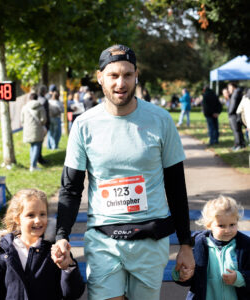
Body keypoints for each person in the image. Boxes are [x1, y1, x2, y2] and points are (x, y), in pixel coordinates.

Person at [52, 44, 195, 300]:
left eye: (128, 75)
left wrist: (185, 244)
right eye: (113, 75)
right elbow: (71, 188)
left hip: (150, 239)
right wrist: (62, 236)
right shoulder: (84, 125)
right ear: (100, 78)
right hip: (104, 240)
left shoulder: (161, 120)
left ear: (136, 75)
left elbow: (176, 187)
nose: (121, 83)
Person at [0, 188, 85, 300]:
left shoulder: (55, 251)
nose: (38, 220)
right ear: (17, 219)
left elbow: (73, 293)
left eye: (42, 214)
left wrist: (67, 267)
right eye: (31, 215)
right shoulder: (2, 253)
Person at [173, 195, 250, 299]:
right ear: (209, 225)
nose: (228, 230)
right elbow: (191, 279)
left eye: (232, 224)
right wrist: (183, 274)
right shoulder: (198, 245)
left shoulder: (245, 245)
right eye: (221, 226)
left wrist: (240, 278)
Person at [21, 93, 47, 172]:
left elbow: (22, 120)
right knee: (37, 146)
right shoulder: (40, 107)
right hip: (37, 129)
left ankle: (32, 164)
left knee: (32, 146)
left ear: (30, 98)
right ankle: (33, 166)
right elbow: (43, 119)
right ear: (37, 98)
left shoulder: (24, 107)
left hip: (27, 130)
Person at [227, 82, 245, 151]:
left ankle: (238, 145)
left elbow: (233, 105)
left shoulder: (235, 94)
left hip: (234, 115)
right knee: (238, 130)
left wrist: (230, 112)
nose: (228, 89)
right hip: (237, 115)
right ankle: (242, 144)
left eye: (229, 87)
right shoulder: (238, 93)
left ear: (233, 86)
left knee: (236, 130)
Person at [37, 85, 50, 165]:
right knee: (40, 142)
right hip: (42, 123)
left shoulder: (37, 99)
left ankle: (39, 157)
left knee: (38, 142)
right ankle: (39, 158)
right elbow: (45, 114)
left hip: (35, 123)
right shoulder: (44, 100)